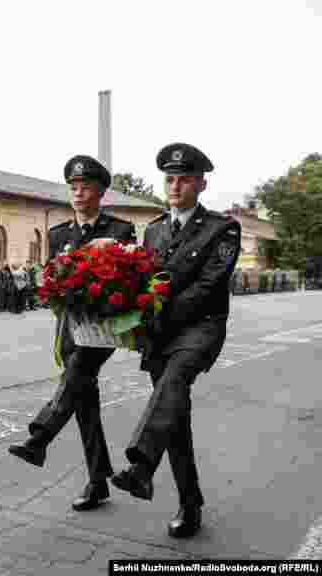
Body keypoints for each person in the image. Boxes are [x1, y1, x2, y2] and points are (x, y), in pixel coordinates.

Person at [111, 143, 240, 539]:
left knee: (174, 382)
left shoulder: (223, 228)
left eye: (184, 179)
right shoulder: (152, 230)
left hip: (199, 329)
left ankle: (141, 467)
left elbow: (207, 286)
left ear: (201, 184)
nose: (175, 185)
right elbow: (140, 282)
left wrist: (155, 312)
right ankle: (190, 503)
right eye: (170, 178)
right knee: (173, 418)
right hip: (159, 336)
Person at [8, 155, 137, 512]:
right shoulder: (58, 234)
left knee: (78, 375)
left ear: (100, 193)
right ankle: (98, 481)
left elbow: (126, 282)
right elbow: (51, 282)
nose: (79, 193)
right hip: (68, 325)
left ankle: (40, 437)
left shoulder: (119, 230)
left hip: (102, 326)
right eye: (74, 187)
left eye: (87, 188)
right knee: (83, 399)